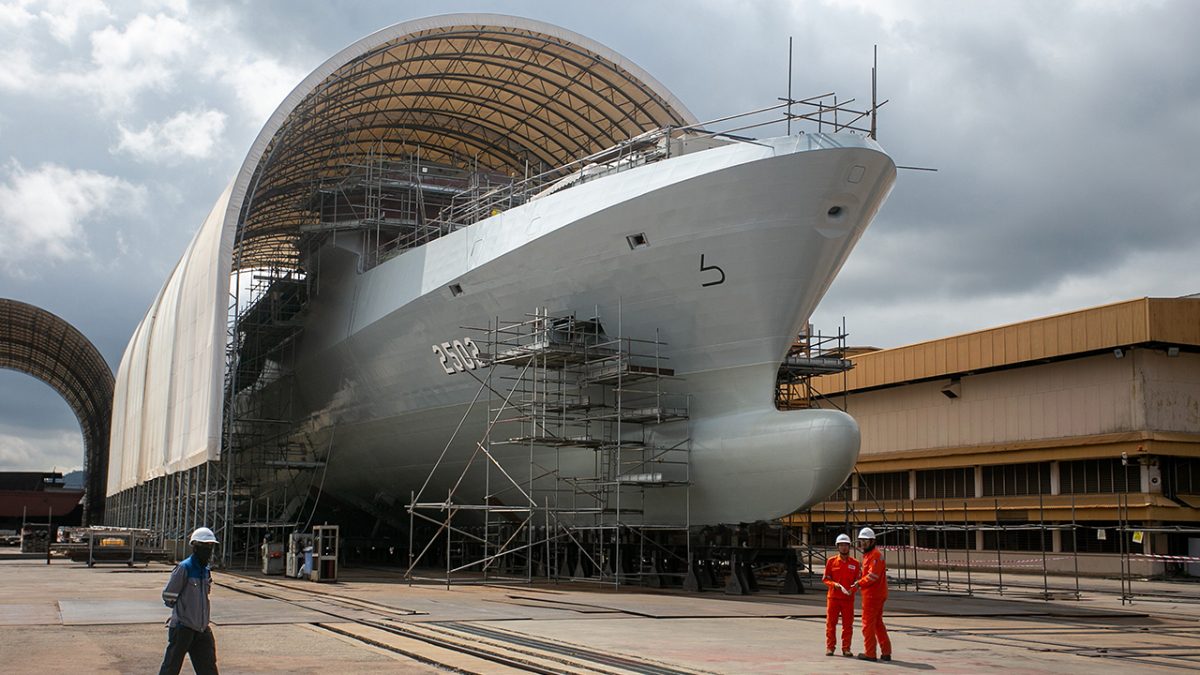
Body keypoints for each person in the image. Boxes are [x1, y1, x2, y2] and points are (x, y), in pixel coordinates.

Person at [158, 527, 220, 675]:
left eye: (210, 546)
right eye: (204, 546)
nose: (208, 549)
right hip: (183, 628)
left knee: (208, 669)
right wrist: (183, 611)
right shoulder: (184, 568)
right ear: (194, 547)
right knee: (170, 668)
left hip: (202, 629)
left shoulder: (205, 570)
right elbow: (168, 596)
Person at [851, 526, 891, 662]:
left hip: (872, 595)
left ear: (872, 541)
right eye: (861, 541)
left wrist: (859, 583)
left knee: (868, 624)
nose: (863, 543)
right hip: (876, 594)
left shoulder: (875, 555)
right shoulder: (870, 555)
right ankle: (886, 652)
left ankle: (870, 653)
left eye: (865, 541)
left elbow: (873, 576)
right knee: (878, 623)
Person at [821, 533, 860, 657]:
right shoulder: (831, 561)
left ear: (849, 546)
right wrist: (833, 584)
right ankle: (830, 647)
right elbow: (825, 578)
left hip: (848, 599)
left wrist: (852, 590)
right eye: (841, 545)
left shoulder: (855, 563)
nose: (844, 547)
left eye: (846, 545)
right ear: (837, 547)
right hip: (833, 598)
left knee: (847, 625)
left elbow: (858, 581)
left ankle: (846, 648)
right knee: (831, 624)